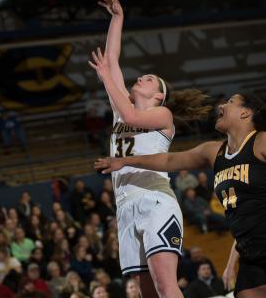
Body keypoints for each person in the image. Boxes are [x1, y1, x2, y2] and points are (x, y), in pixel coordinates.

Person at [89, 0, 211, 298]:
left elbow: (129, 114)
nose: (141, 76)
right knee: (145, 292)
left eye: (149, 79)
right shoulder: (121, 111)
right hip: (125, 206)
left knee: (165, 285)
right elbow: (112, 59)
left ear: (158, 95)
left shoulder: (162, 116)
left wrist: (106, 78)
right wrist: (118, 18)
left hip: (154, 199)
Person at [95, 93, 266, 298]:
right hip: (250, 253)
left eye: (230, 102)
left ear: (246, 112)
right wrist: (125, 161)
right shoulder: (213, 152)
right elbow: (168, 161)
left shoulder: (261, 141)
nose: (221, 105)